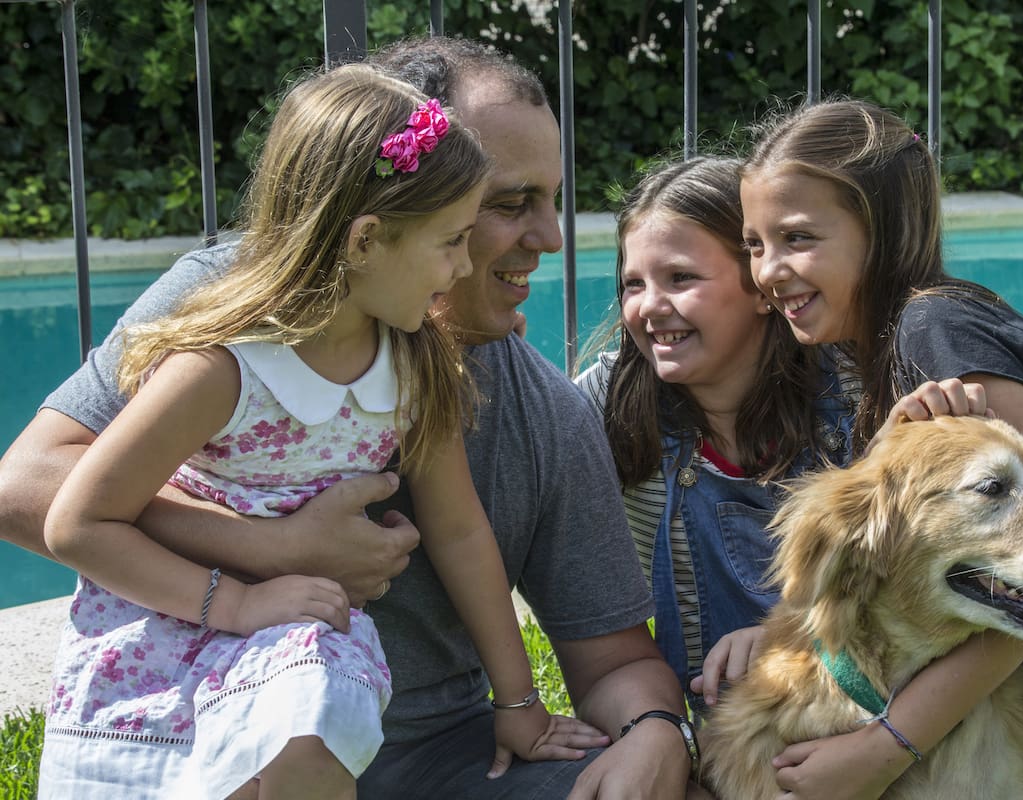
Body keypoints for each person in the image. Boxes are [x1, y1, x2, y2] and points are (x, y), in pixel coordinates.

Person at [0, 37, 694, 799]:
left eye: (551, 199)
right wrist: (269, 549)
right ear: (376, 227)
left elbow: (610, 658)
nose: (551, 238)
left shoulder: (521, 405)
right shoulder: (229, 320)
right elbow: (30, 486)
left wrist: (654, 733)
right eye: (506, 204)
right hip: (213, 718)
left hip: (444, 756)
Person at [740, 97, 1023, 799]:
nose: (770, 270)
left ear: (879, 230)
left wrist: (884, 748)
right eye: (754, 243)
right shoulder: (886, 354)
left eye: (798, 238)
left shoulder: (935, 330)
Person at [575, 156, 856, 713]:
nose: (650, 307)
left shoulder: (851, 391)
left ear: (759, 287)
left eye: (680, 278)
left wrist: (789, 637)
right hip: (713, 728)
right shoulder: (611, 400)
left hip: (852, 706)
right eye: (634, 283)